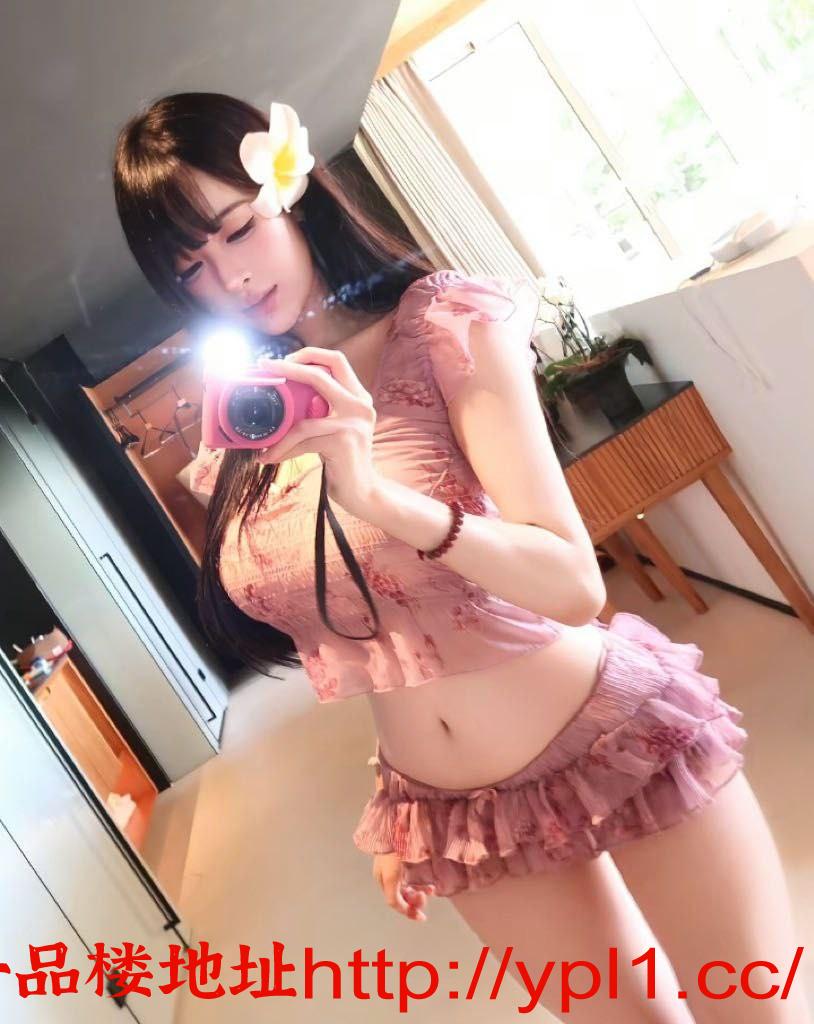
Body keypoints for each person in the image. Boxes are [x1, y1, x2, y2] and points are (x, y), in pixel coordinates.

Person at [112, 91, 809, 1023]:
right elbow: (369, 621)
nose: (229, 279)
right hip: (457, 813)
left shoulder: (442, 325)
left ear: (291, 190)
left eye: (238, 230)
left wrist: (375, 493)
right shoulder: (247, 429)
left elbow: (573, 583)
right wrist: (396, 790)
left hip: (609, 733)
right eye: (191, 268)